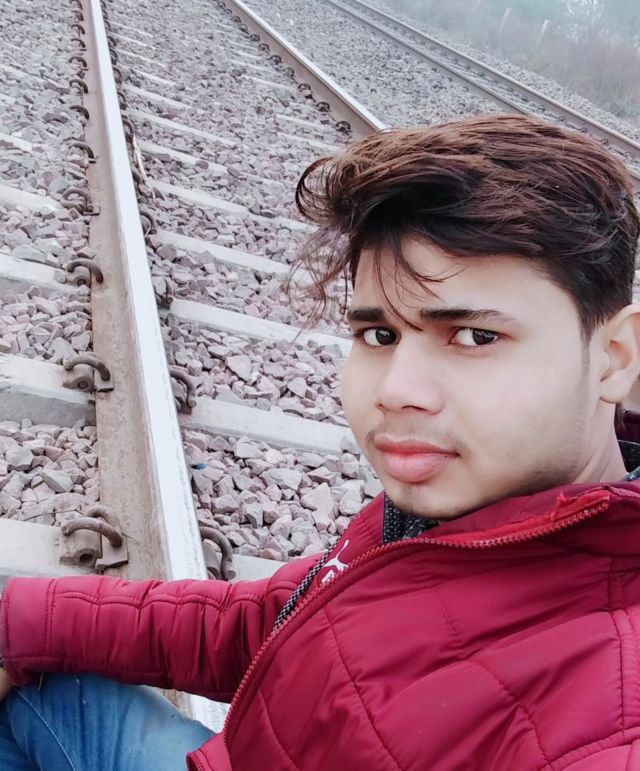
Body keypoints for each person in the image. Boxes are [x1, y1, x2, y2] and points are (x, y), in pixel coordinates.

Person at [2, 113, 640, 770]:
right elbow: (280, 623)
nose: (396, 390)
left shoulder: (609, 724)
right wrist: (16, 621)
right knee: (38, 690)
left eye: (475, 336)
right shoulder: (474, 510)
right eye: (380, 335)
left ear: (615, 357)